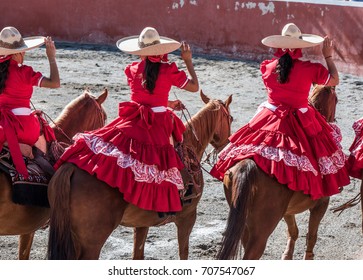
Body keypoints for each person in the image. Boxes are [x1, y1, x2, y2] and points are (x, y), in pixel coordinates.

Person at [54, 27, 199, 213]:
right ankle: (169, 199)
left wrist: (168, 103)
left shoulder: (131, 69)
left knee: (112, 147)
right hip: (159, 121)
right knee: (171, 153)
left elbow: (143, 96)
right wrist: (188, 61)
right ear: (161, 49)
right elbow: (194, 87)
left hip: (133, 117)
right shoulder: (168, 70)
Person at [210, 23, 350, 199]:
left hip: (269, 114)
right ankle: (318, 187)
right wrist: (328, 56)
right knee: (318, 150)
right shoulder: (310, 68)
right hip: (299, 115)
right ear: (301, 46)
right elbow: (334, 80)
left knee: (249, 139)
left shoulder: (267, 67)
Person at [0, 26, 60, 179]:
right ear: (19, 52)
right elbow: (55, 83)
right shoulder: (24, 71)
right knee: (42, 127)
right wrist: (51, 57)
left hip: (2, 125)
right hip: (23, 128)